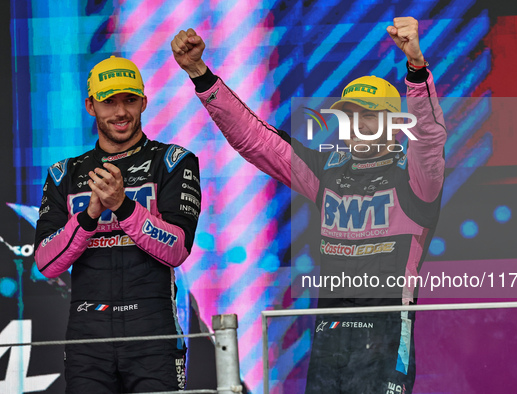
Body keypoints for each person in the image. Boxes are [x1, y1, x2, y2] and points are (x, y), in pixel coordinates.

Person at [172, 16, 445, 393]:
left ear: (393, 124)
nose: (356, 124)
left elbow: (430, 140)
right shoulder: (327, 172)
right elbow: (256, 139)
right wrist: (202, 76)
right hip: (329, 339)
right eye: (349, 115)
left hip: (385, 341)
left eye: (368, 115)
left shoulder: (416, 181)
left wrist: (416, 69)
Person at [34, 56, 201, 393]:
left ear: (143, 101)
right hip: (87, 336)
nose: (121, 112)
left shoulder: (173, 161)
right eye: (109, 101)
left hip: (153, 332)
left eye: (129, 100)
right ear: (90, 105)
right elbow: (46, 262)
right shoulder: (63, 174)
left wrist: (123, 206)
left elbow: (177, 249)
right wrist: (88, 216)